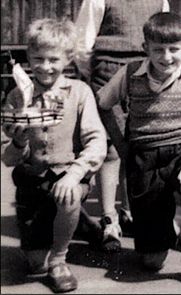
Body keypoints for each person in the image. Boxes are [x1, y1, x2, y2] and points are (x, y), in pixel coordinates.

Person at [96, 12, 181, 290]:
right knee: (151, 261)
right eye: (158, 50)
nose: (166, 57)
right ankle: (172, 226)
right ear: (146, 49)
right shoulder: (131, 72)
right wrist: (121, 144)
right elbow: (103, 103)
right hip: (145, 155)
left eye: (174, 49)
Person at [74, 0, 169, 252]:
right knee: (112, 150)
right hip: (108, 82)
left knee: (140, 148)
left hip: (144, 82)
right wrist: (100, 80)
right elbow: (82, 49)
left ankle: (131, 212)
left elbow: (165, 40)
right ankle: (109, 218)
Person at [2, 18, 107, 293]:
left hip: (69, 175)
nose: (45, 67)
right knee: (35, 264)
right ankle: (79, 222)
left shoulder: (80, 92)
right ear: (28, 56)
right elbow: (8, 159)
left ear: (68, 59)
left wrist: (74, 174)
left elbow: (96, 142)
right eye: (38, 59)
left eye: (53, 59)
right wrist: (19, 141)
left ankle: (60, 259)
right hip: (32, 180)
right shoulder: (16, 96)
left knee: (67, 195)